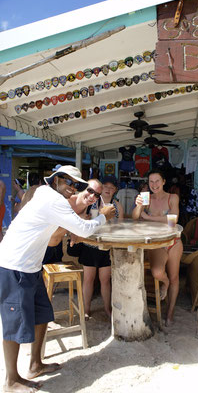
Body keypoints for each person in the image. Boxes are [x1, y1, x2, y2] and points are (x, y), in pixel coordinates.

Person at [0, 165, 115, 393]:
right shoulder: (54, 200)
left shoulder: (47, 195)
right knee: (14, 325)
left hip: (31, 267)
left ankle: (35, 364)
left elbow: (62, 232)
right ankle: (11, 380)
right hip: (13, 266)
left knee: (43, 315)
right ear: (54, 180)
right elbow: (83, 227)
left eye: (77, 185)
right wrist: (102, 217)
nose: (72, 187)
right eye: (67, 182)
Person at [132, 169, 183, 326]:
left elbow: (173, 221)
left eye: (157, 181)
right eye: (151, 181)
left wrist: (149, 217)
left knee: (175, 277)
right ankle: (165, 283)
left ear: (163, 182)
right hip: (157, 243)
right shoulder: (146, 198)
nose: (154, 184)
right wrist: (139, 206)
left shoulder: (172, 197)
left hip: (174, 241)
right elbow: (135, 218)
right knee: (157, 272)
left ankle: (170, 313)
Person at [69, 175, 124, 319]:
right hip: (89, 245)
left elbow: (122, 226)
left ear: (115, 191)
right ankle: (86, 309)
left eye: (112, 187)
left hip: (107, 247)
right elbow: (78, 218)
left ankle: (107, 308)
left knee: (105, 280)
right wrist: (84, 219)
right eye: (105, 186)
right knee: (88, 279)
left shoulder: (117, 206)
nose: (108, 189)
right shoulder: (91, 201)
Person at [42, 178, 103, 265]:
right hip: (43, 247)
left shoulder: (87, 210)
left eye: (97, 195)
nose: (92, 196)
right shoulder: (66, 203)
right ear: (83, 189)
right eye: (90, 190)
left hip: (57, 248)